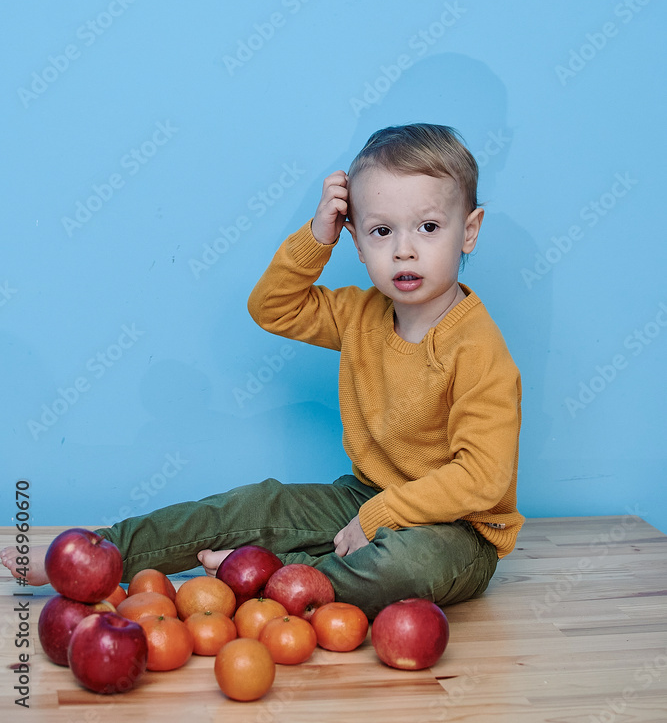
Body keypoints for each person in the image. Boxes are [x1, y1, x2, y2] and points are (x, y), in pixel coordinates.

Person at [2, 123, 524, 619]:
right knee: (252, 505)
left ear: (469, 231)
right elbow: (273, 307)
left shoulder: (477, 348)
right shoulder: (358, 313)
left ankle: (265, 582)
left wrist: (378, 519)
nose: (404, 248)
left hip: (458, 531)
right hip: (366, 496)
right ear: (358, 244)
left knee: (405, 565)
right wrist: (317, 237)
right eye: (382, 231)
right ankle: (96, 554)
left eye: (429, 227)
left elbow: (482, 477)